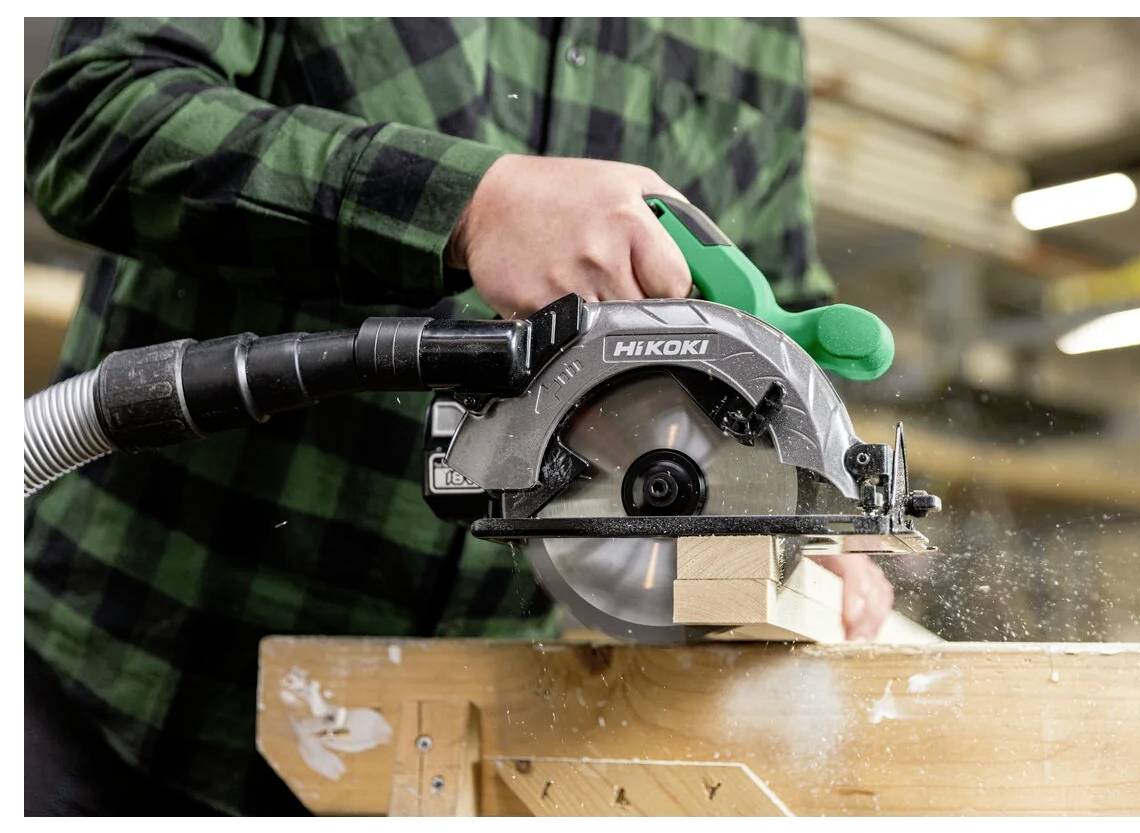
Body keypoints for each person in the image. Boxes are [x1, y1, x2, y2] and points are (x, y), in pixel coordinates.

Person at [24, 17, 895, 815]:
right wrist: (469, 203)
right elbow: (94, 114)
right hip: (133, 681)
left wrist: (809, 487)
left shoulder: (762, 32)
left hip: (488, 745)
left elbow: (767, 315)